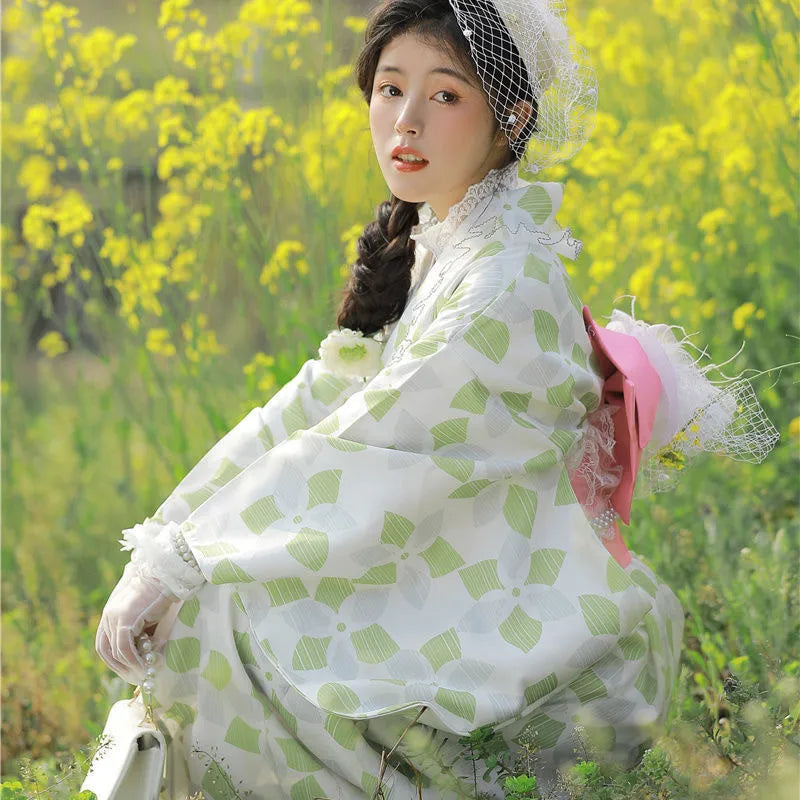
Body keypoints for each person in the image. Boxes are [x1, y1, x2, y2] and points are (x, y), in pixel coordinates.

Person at [93, 1, 779, 798]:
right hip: (438, 566)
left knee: (222, 612)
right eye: (389, 90)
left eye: (445, 96)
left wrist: (188, 560)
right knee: (203, 592)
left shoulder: (507, 280)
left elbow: (373, 447)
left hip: (503, 614)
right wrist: (171, 538)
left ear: (512, 117)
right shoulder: (438, 246)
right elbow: (311, 407)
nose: (406, 122)